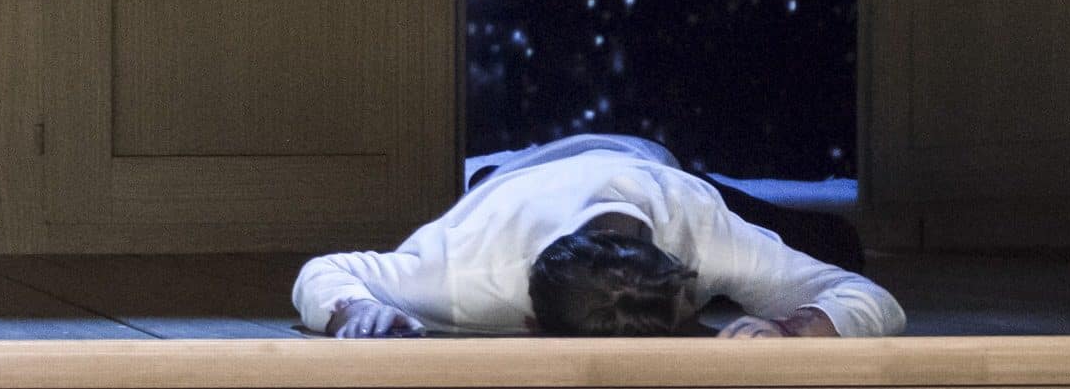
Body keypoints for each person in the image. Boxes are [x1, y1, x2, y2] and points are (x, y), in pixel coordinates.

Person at [296, 133, 904, 339]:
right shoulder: (465, 271)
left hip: (653, 165)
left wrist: (798, 330)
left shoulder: (701, 234)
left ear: (689, 291)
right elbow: (326, 272)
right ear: (531, 323)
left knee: (838, 246)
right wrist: (355, 308)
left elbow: (870, 299)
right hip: (510, 175)